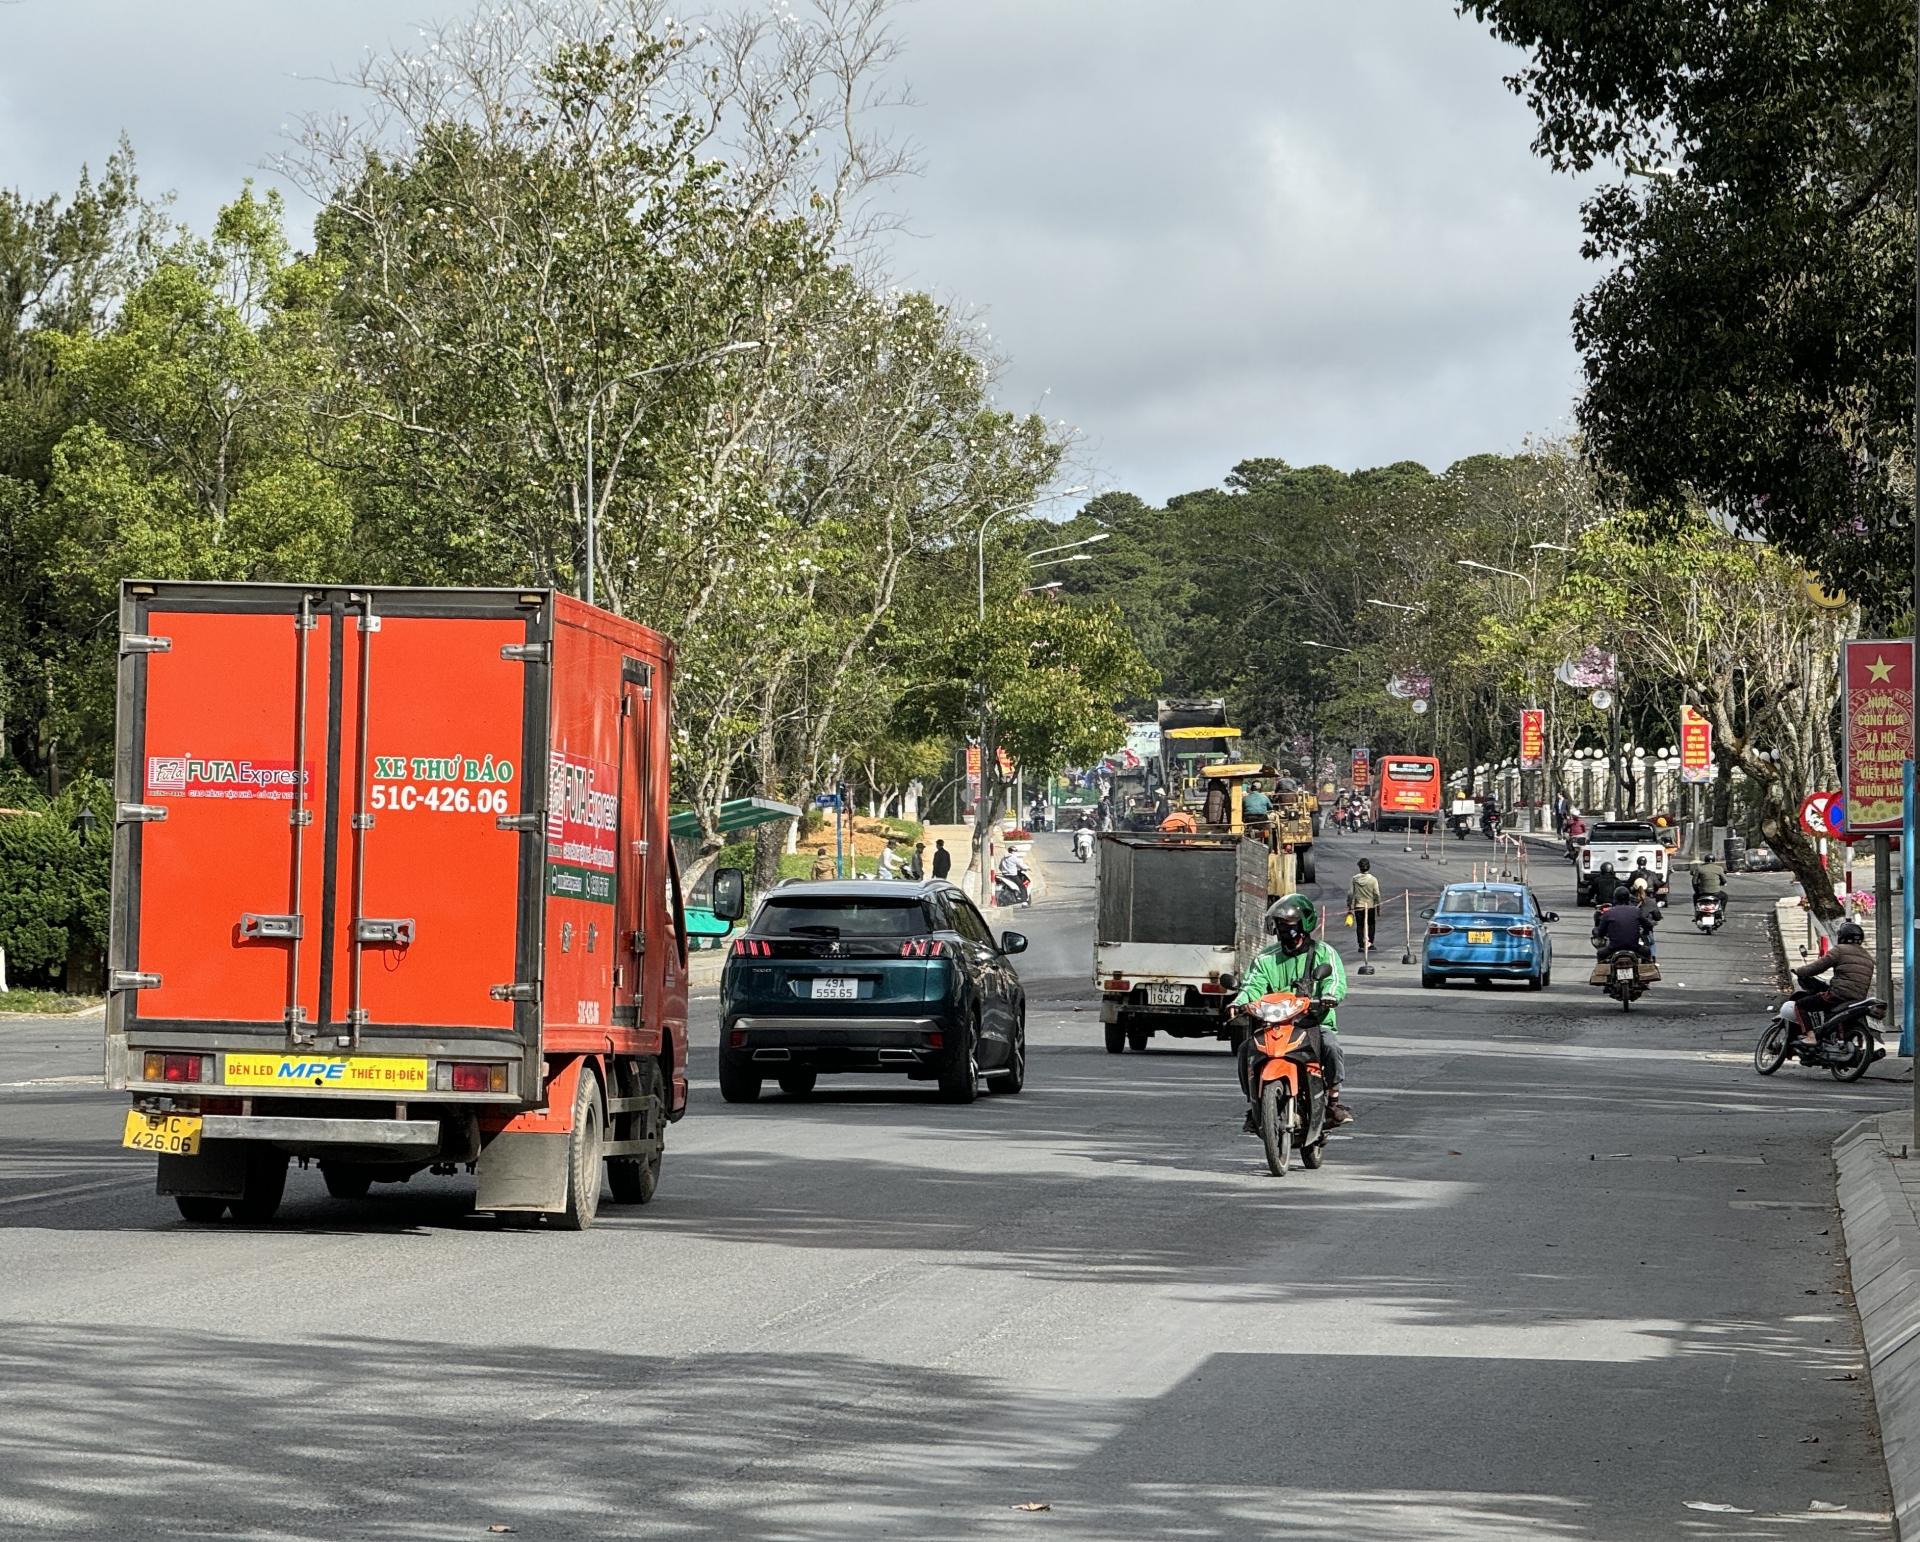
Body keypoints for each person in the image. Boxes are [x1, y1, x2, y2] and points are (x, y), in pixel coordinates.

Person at [1233, 895, 1351, 1126]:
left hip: (1312, 1023)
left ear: (1304, 924)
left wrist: (1328, 997)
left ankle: (1333, 1103)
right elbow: (1251, 985)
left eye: (1287, 925)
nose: (1283, 930)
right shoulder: (1266, 958)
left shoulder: (1324, 953)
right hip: (1274, 1024)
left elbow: (1335, 982)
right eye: (1279, 925)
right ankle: (1255, 1107)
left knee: (1330, 1046)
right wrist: (1239, 1002)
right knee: (1245, 1050)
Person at [1788, 922, 1874, 1050]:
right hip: (1859, 998)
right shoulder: (1867, 956)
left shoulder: (1840, 950)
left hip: (1839, 995)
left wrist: (1799, 971)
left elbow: (1818, 966)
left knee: (1800, 1005)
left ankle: (1810, 1037)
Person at [1592, 884, 1654, 963]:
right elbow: (1648, 926)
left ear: (1615, 898)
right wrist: (1645, 932)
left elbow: (1601, 933)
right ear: (1628, 898)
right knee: (1647, 952)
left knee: (1600, 954)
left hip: (1613, 948)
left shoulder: (1608, 913)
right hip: (1634, 948)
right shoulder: (1636, 911)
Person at [1347, 857, 1381, 955]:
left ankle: (1361, 944)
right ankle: (1370, 942)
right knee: (1371, 924)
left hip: (1359, 905)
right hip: (1370, 906)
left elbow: (1350, 894)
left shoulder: (1354, 879)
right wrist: (1378, 906)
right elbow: (1377, 894)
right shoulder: (1373, 879)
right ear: (1368, 867)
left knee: (1360, 926)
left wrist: (1349, 905)